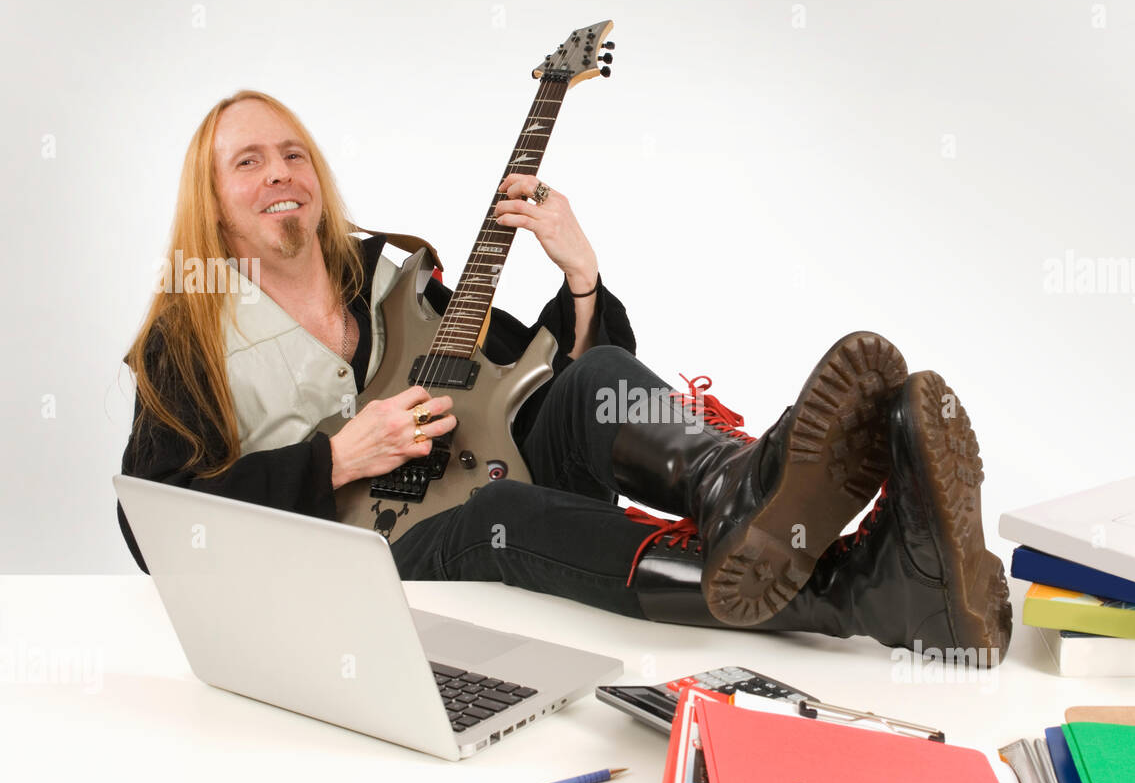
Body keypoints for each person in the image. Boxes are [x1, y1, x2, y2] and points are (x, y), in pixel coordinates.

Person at [117, 89, 1012, 663]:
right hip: (369, 562)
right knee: (502, 517)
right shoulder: (188, 329)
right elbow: (147, 515)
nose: (281, 172)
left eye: (294, 153)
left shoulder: (391, 276)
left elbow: (525, 378)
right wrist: (336, 459)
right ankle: (859, 591)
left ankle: (745, 491)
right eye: (249, 162)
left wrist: (580, 277)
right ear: (215, 199)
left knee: (597, 381)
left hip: (486, 475)